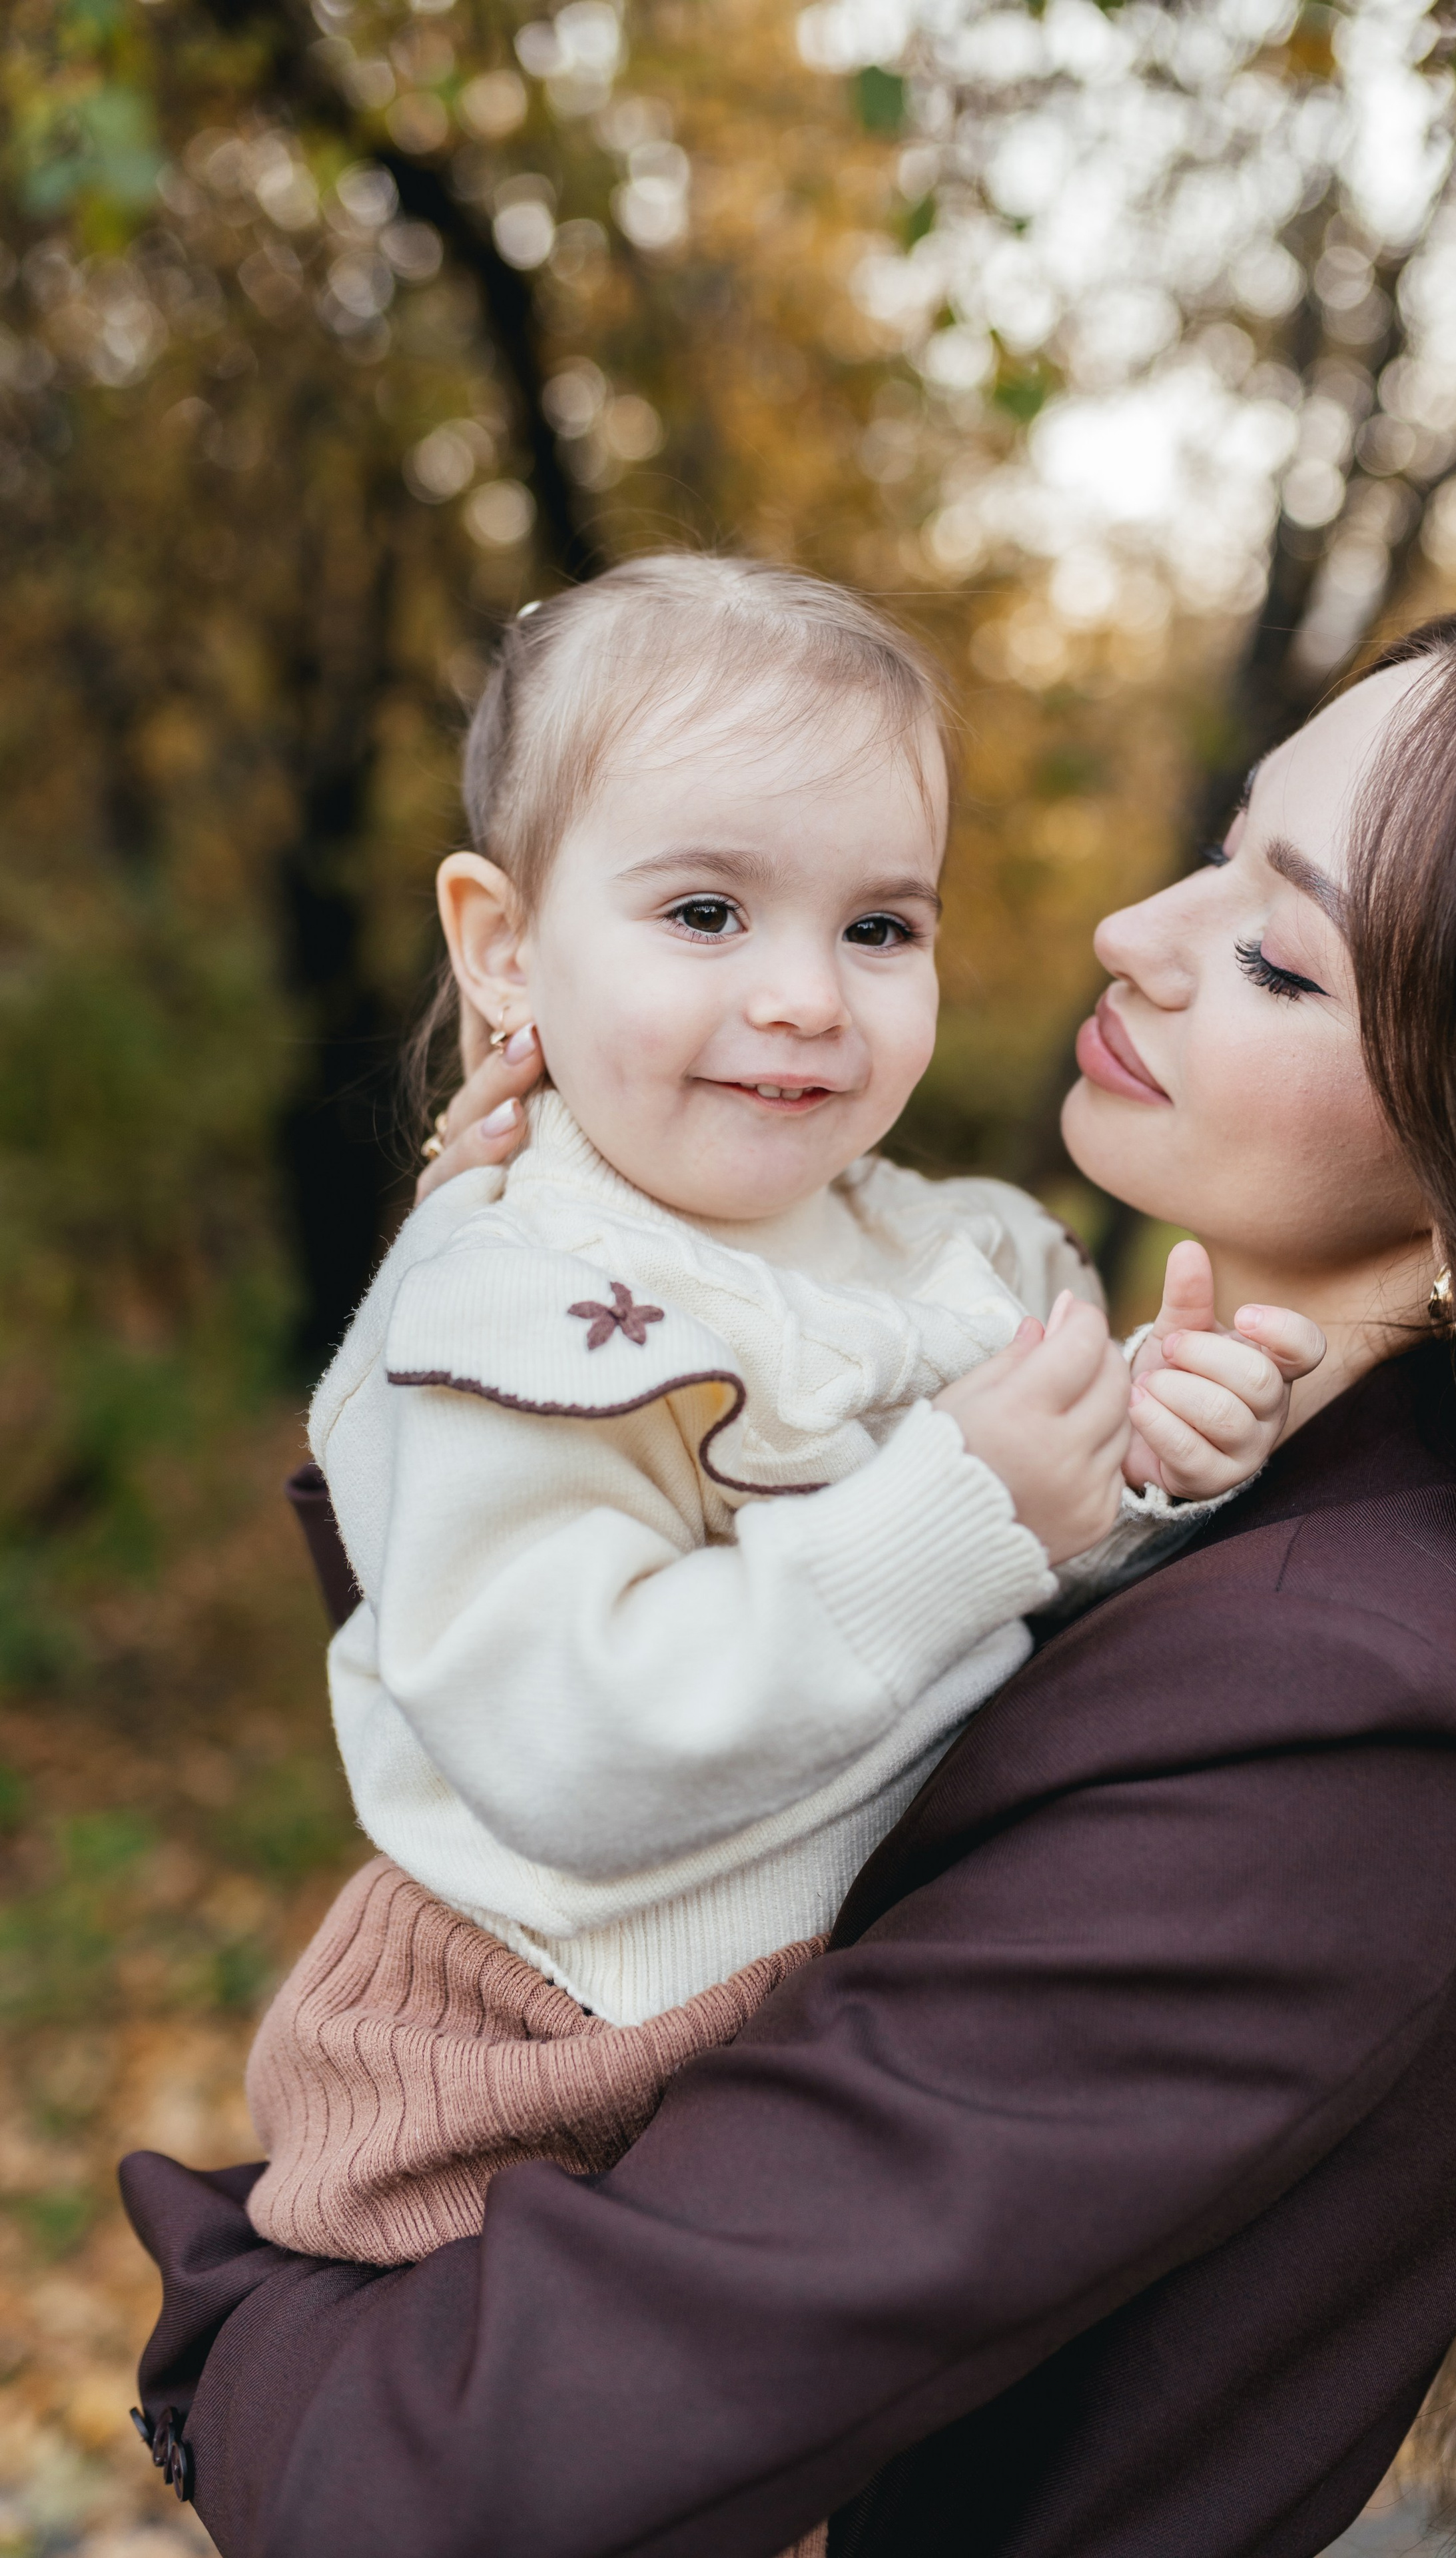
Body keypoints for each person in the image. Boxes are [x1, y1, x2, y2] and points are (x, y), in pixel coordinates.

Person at [123, 604, 1456, 2558]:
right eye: (1217, 849)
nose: (1135, 929)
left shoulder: (1371, 1726)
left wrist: (229, 2312)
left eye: (1279, 952)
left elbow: (435, 2484)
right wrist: (529, 1345)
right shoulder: (1259, 1520)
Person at [242, 556, 1315, 2269]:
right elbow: (559, 1743)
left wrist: (1147, 1469)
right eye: (705, 915)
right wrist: (965, 1513)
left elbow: (1018, 1606)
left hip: (811, 2027)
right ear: (503, 946)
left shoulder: (944, 1252)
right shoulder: (513, 1304)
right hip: (537, 2048)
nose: (810, 994)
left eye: (877, 926)